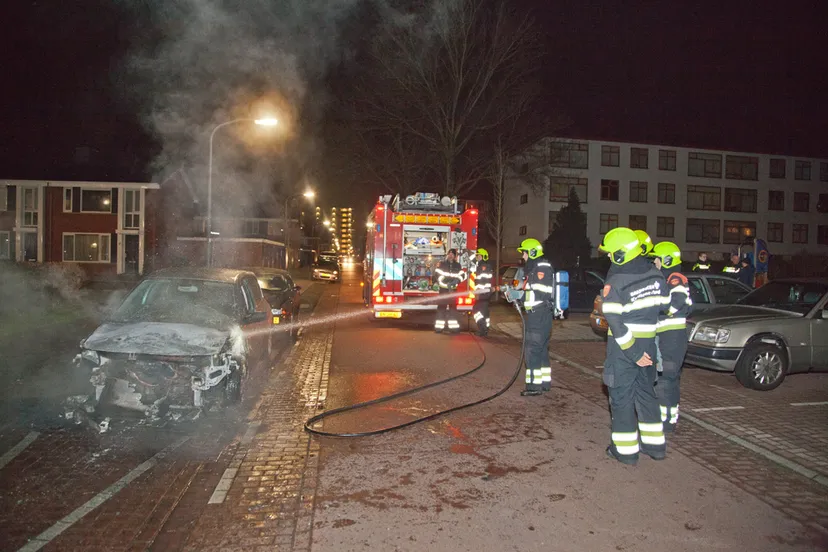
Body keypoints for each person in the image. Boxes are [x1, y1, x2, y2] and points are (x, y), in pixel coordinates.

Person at [599, 227, 669, 465]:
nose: (609, 257)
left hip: (625, 350)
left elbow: (614, 321)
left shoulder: (616, 280)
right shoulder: (656, 275)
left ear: (621, 254)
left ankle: (626, 452)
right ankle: (655, 446)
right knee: (647, 395)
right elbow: (665, 305)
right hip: (650, 344)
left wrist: (634, 352)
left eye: (611, 253)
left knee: (621, 399)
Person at [651, 241, 692, 434]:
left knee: (667, 380)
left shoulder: (676, 279)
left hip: (672, 339)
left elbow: (674, 305)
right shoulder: (667, 279)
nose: (655, 263)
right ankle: (667, 417)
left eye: (657, 259)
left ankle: (667, 421)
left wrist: (652, 310)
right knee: (667, 380)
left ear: (666, 260)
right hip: (668, 338)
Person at [516, 238, 555, 396]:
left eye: (524, 253)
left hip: (538, 316)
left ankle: (533, 387)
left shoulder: (541, 268)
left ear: (532, 252)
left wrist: (522, 292)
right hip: (541, 315)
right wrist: (517, 294)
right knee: (542, 351)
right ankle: (545, 383)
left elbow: (540, 291)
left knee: (532, 352)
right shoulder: (534, 269)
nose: (523, 257)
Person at [433, 248, 464, 333]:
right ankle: (439, 328)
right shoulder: (442, 264)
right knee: (441, 308)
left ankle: (453, 328)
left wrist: (457, 281)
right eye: (449, 253)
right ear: (447, 255)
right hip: (443, 290)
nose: (450, 255)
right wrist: (447, 283)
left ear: (455, 256)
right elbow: (437, 274)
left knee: (453, 309)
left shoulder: (458, 266)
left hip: (453, 291)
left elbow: (462, 275)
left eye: (452, 254)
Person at [471, 248, 493, 336]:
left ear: (483, 256)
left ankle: (482, 329)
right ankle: (485, 329)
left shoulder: (483, 267)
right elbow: (474, 261)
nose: (477, 257)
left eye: (478, 255)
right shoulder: (483, 265)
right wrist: (470, 253)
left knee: (476, 310)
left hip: (483, 293)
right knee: (484, 312)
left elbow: (482, 281)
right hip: (485, 293)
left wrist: (478, 292)